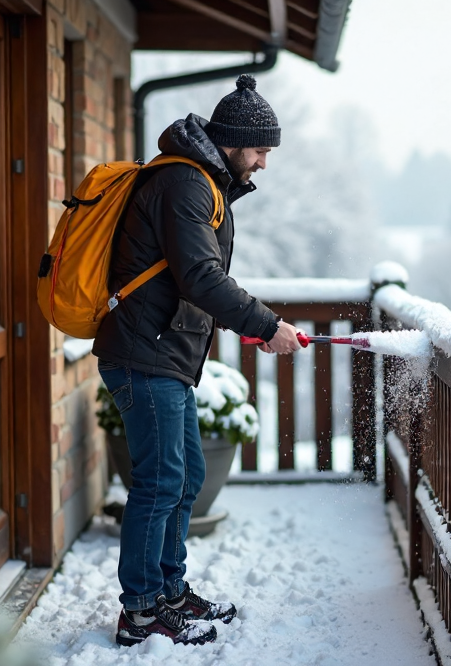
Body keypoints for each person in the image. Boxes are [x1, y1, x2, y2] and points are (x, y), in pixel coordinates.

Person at [92, 74, 303, 647]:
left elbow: (197, 278)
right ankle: (139, 611)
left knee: (183, 478)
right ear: (233, 141)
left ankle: (168, 591)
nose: (263, 162)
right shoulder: (186, 183)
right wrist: (265, 325)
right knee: (160, 482)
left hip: (164, 354)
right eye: (260, 150)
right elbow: (201, 276)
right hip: (145, 353)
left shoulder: (201, 179)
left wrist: (257, 325)